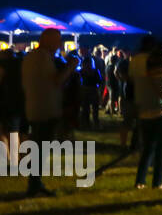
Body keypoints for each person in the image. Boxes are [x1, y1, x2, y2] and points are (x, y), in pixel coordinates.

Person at [21, 29, 75, 198]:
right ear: (48, 41)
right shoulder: (42, 58)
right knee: (40, 149)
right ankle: (35, 185)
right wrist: (71, 66)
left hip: (37, 107)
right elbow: (56, 81)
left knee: (39, 148)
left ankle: (36, 183)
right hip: (44, 109)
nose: (60, 45)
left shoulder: (32, 57)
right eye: (58, 41)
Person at [135, 46, 162, 190]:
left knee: (147, 150)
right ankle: (157, 182)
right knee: (161, 151)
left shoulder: (142, 78)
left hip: (145, 116)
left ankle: (140, 181)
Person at [75, 45, 104, 130]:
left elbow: (78, 81)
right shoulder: (95, 71)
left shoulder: (81, 71)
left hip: (84, 90)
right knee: (94, 108)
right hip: (93, 89)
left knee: (85, 108)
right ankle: (95, 123)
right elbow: (100, 81)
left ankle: (86, 123)